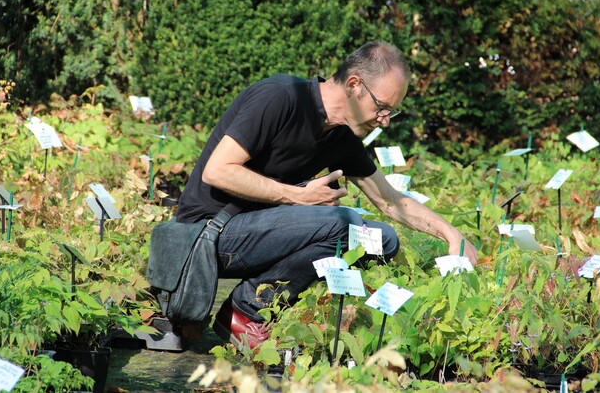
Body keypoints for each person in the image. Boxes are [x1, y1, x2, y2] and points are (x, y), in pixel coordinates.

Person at [176, 41, 478, 350]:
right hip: (206, 235)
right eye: (381, 107)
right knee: (345, 221)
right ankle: (246, 313)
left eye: (392, 111)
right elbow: (217, 170)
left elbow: (389, 200)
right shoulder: (280, 97)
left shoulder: (341, 136)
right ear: (354, 85)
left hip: (254, 235)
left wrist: (451, 233)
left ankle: (246, 307)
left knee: (380, 238)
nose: (385, 120)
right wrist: (297, 196)